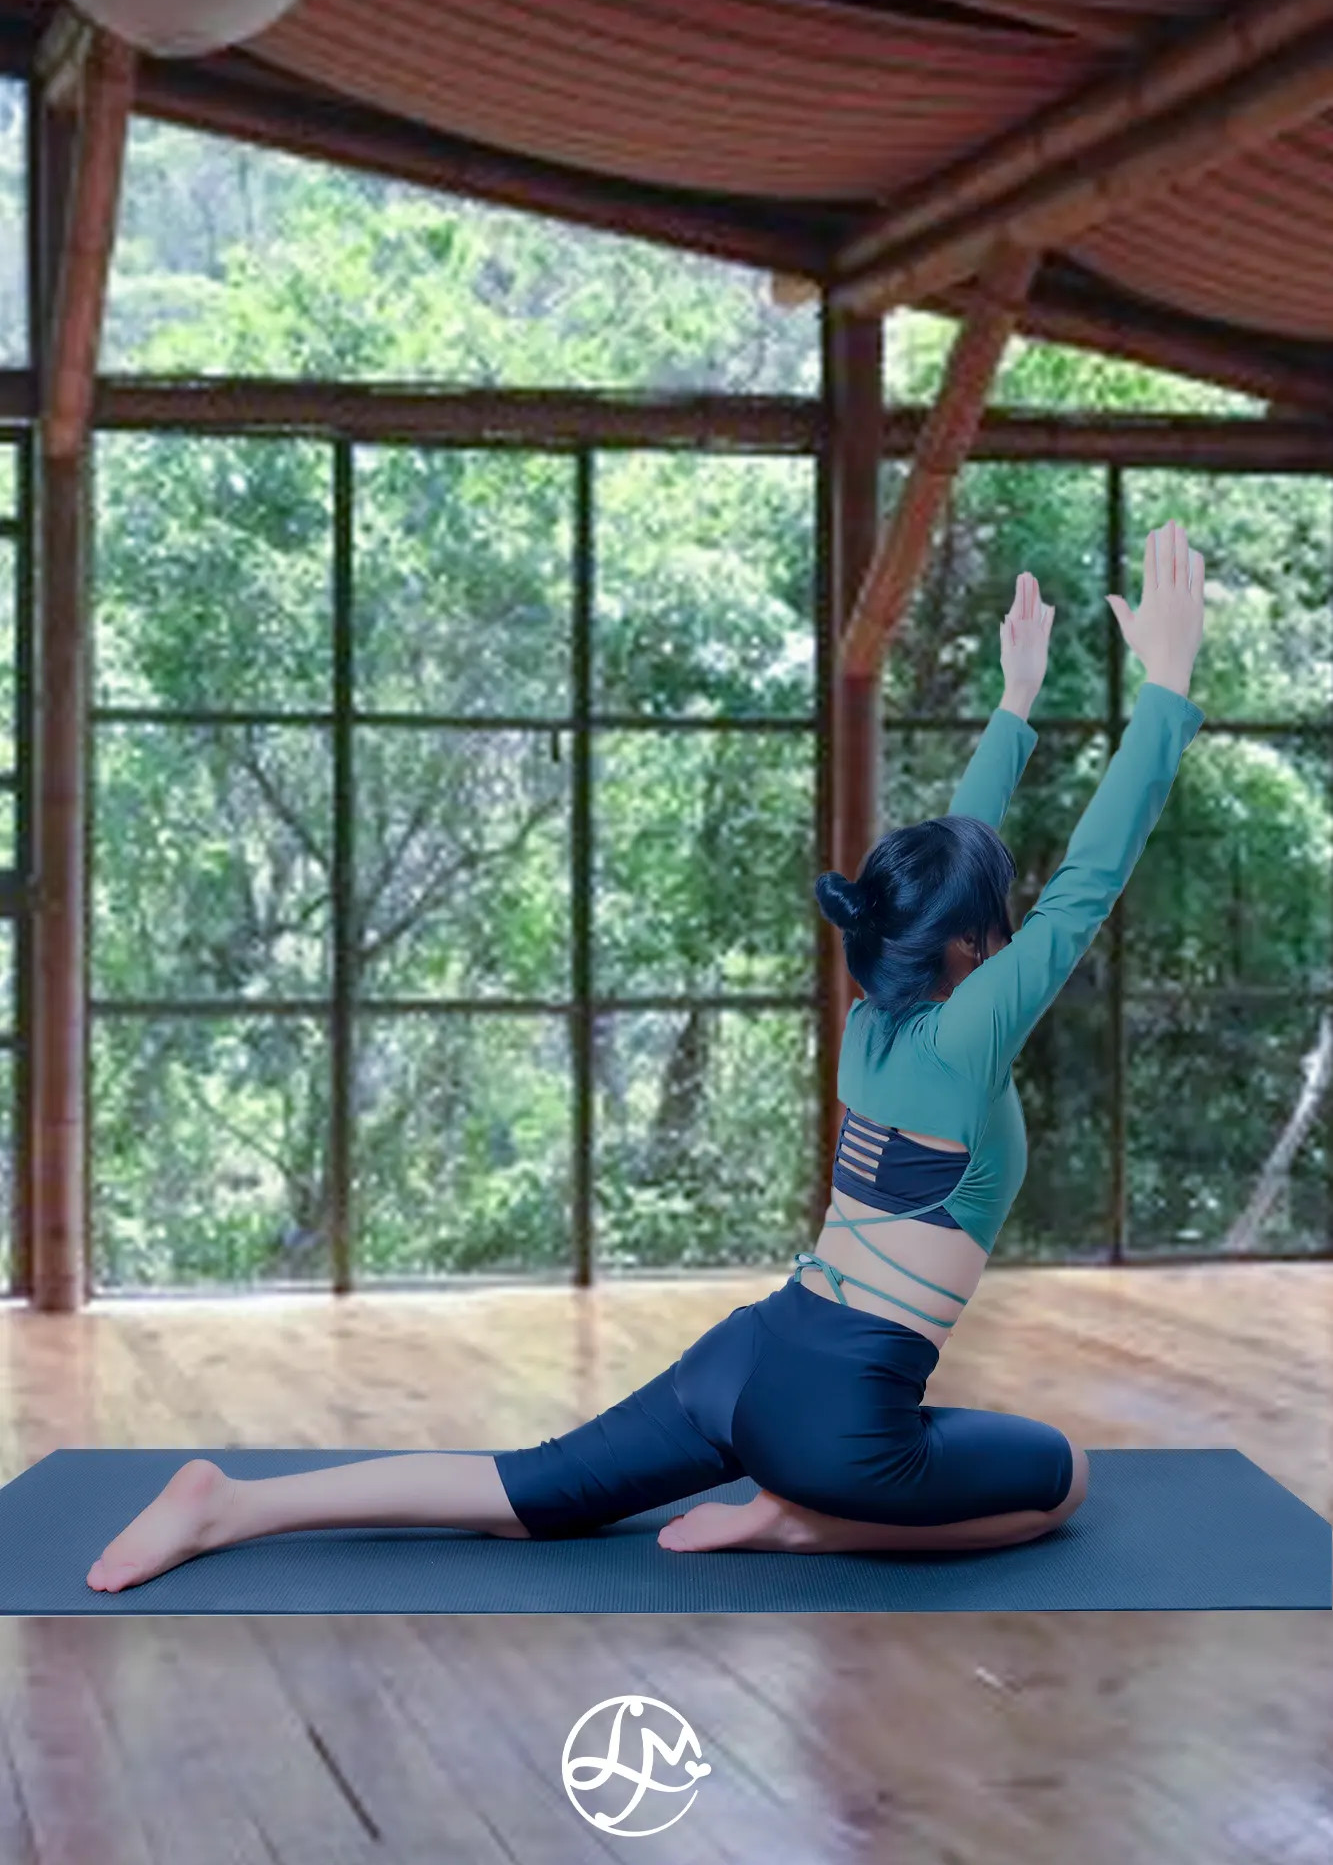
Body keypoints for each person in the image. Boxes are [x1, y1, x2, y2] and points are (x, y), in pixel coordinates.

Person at [86, 520, 1207, 1592]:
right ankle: (803, 1520)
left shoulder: (877, 1014)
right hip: (836, 1428)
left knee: (524, 1487)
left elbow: (947, 867)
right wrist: (1164, 687)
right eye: (992, 917)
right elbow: (1085, 883)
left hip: (745, 1358)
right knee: (1060, 1482)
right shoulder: (969, 1035)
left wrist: (1014, 703)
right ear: (969, 946)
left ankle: (234, 1503)